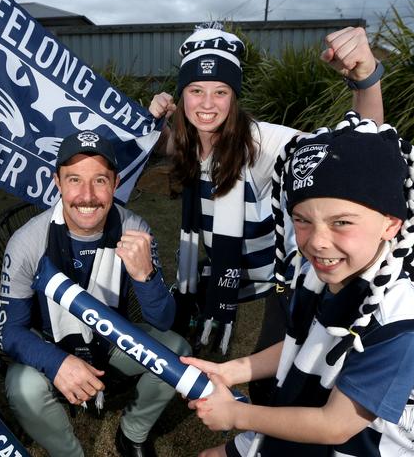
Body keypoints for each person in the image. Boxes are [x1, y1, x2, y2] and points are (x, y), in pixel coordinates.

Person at [148, 24, 385, 403]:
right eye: (196, 90)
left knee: (287, 373)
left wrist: (365, 79)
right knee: (273, 373)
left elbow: (355, 150)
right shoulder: (188, 138)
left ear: (234, 97)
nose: (207, 104)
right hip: (259, 269)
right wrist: (153, 118)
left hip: (296, 271)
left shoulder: (262, 141)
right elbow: (151, 143)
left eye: (220, 92)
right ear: (183, 95)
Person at [183, 111, 414, 456]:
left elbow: (335, 426)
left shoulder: (401, 331)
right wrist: (229, 371)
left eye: (342, 222)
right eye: (302, 220)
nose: (317, 242)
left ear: (391, 224)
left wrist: (237, 414)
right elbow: (300, 345)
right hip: (293, 422)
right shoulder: (316, 276)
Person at [0, 130, 190, 457]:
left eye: (100, 180)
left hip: (113, 340)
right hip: (51, 340)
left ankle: (132, 434)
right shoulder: (28, 241)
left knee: (177, 353)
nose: (87, 195)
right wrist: (56, 362)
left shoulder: (134, 230)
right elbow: (9, 333)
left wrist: (147, 276)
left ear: (115, 184)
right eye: (74, 180)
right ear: (57, 183)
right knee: (21, 386)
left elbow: (164, 320)